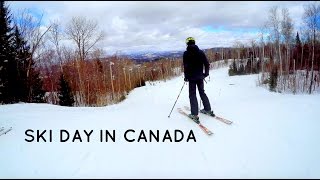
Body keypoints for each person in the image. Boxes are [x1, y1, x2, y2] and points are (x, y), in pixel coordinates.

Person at [183, 37, 215, 123]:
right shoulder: (200, 52)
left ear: (187, 44)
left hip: (191, 78)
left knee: (192, 95)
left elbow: (186, 67)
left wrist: (186, 77)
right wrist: (206, 74)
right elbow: (207, 64)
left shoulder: (186, 53)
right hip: (200, 77)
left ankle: (194, 114)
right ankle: (207, 109)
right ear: (194, 42)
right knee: (202, 92)